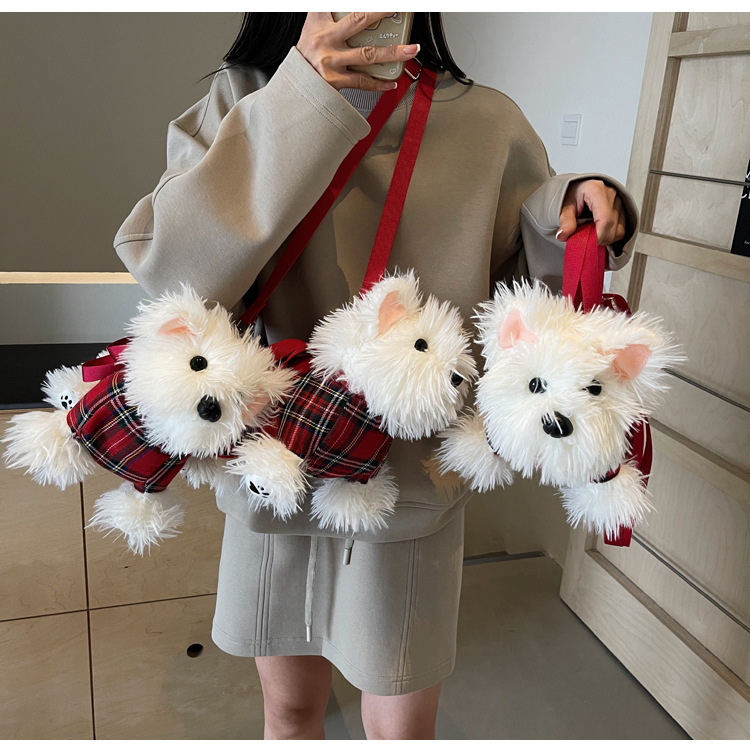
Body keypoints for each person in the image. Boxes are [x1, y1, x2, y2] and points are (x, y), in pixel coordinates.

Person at [115, 12, 637, 740]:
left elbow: (526, 309)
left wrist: (568, 209)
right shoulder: (246, 95)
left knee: (399, 728)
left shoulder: (487, 122)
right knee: (289, 711)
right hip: (274, 464)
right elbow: (171, 270)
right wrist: (302, 96)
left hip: (410, 482)